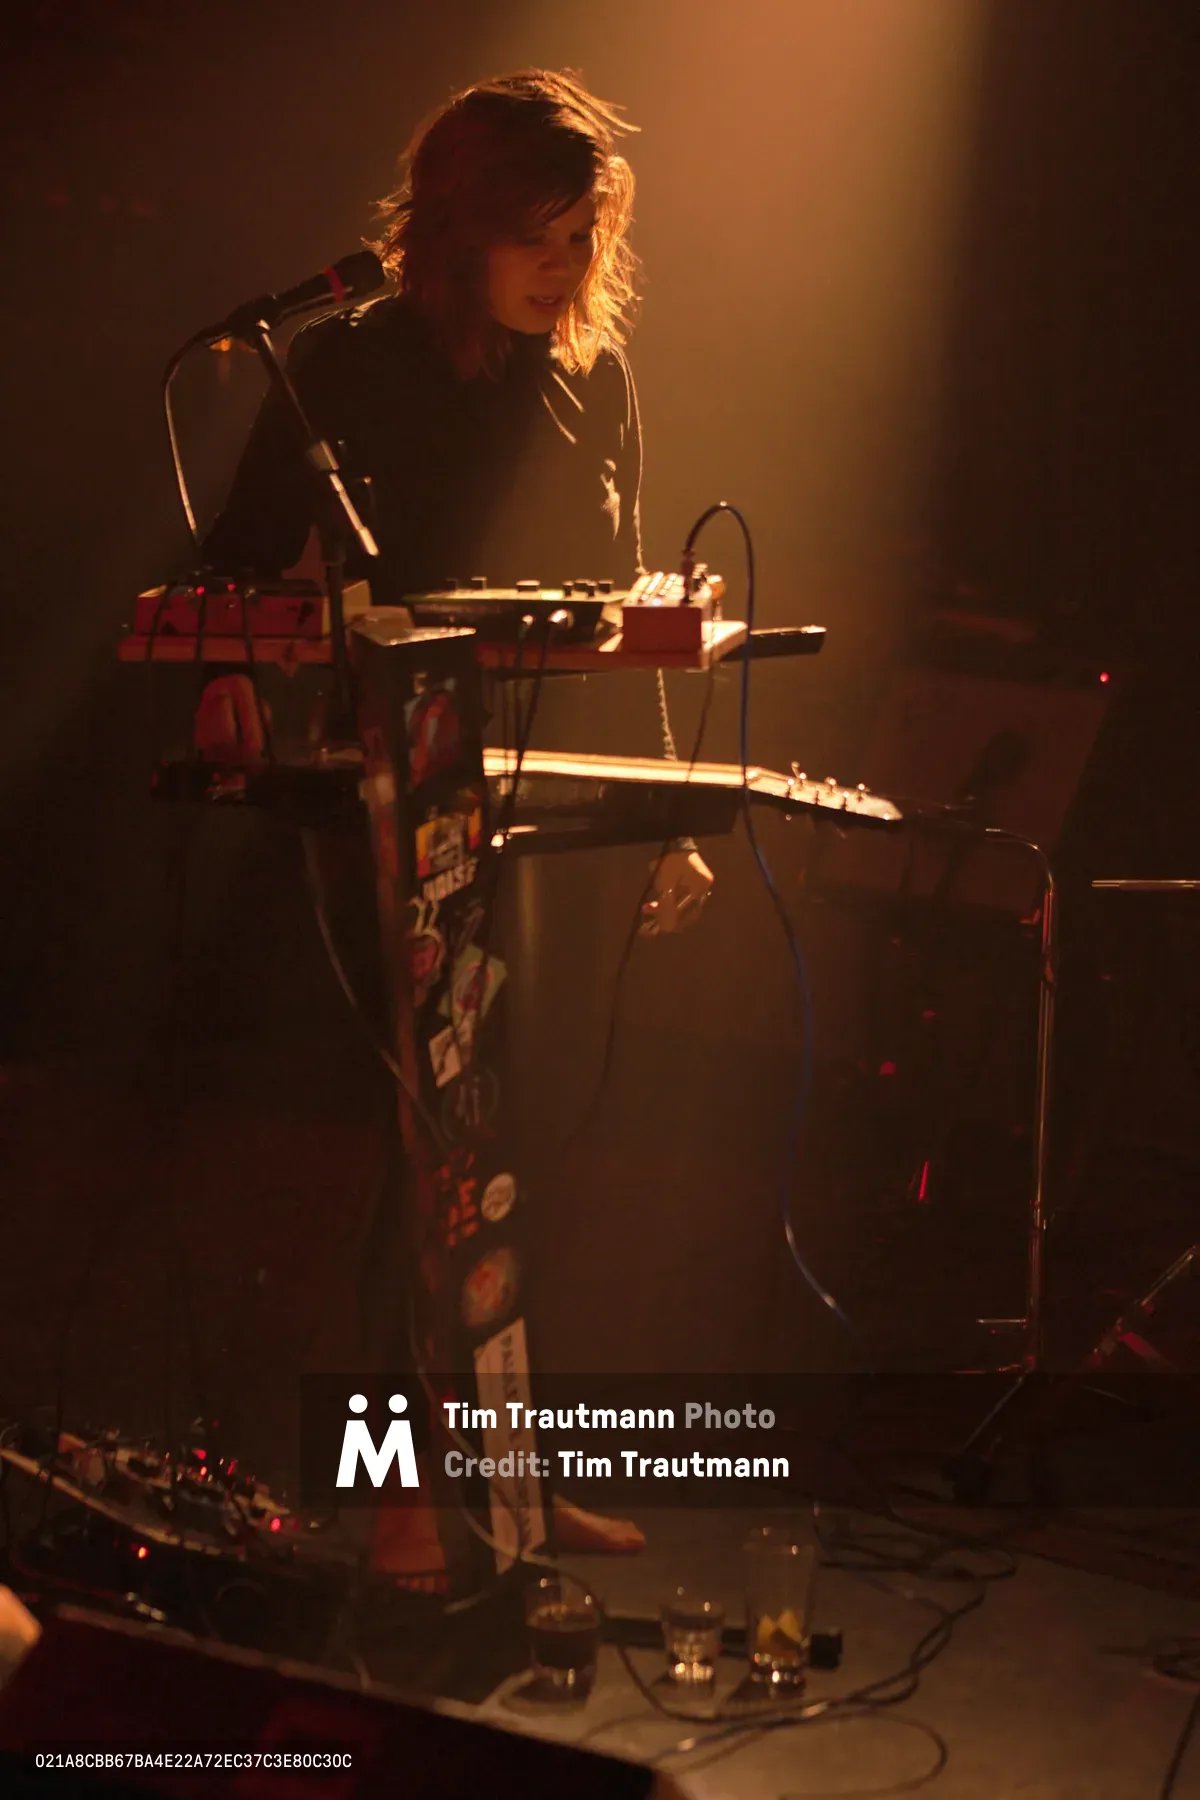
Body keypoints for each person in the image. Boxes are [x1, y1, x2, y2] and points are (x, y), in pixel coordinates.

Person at [200, 71, 714, 1555]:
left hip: (540, 799)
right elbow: (233, 560)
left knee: (515, 1140)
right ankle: (386, 1489)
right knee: (426, 1130)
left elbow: (620, 620)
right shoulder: (350, 362)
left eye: (583, 233)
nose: (566, 265)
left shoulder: (596, 380)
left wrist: (672, 811)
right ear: (458, 228)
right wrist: (221, 686)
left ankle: (492, 1471)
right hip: (387, 789)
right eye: (536, 237)